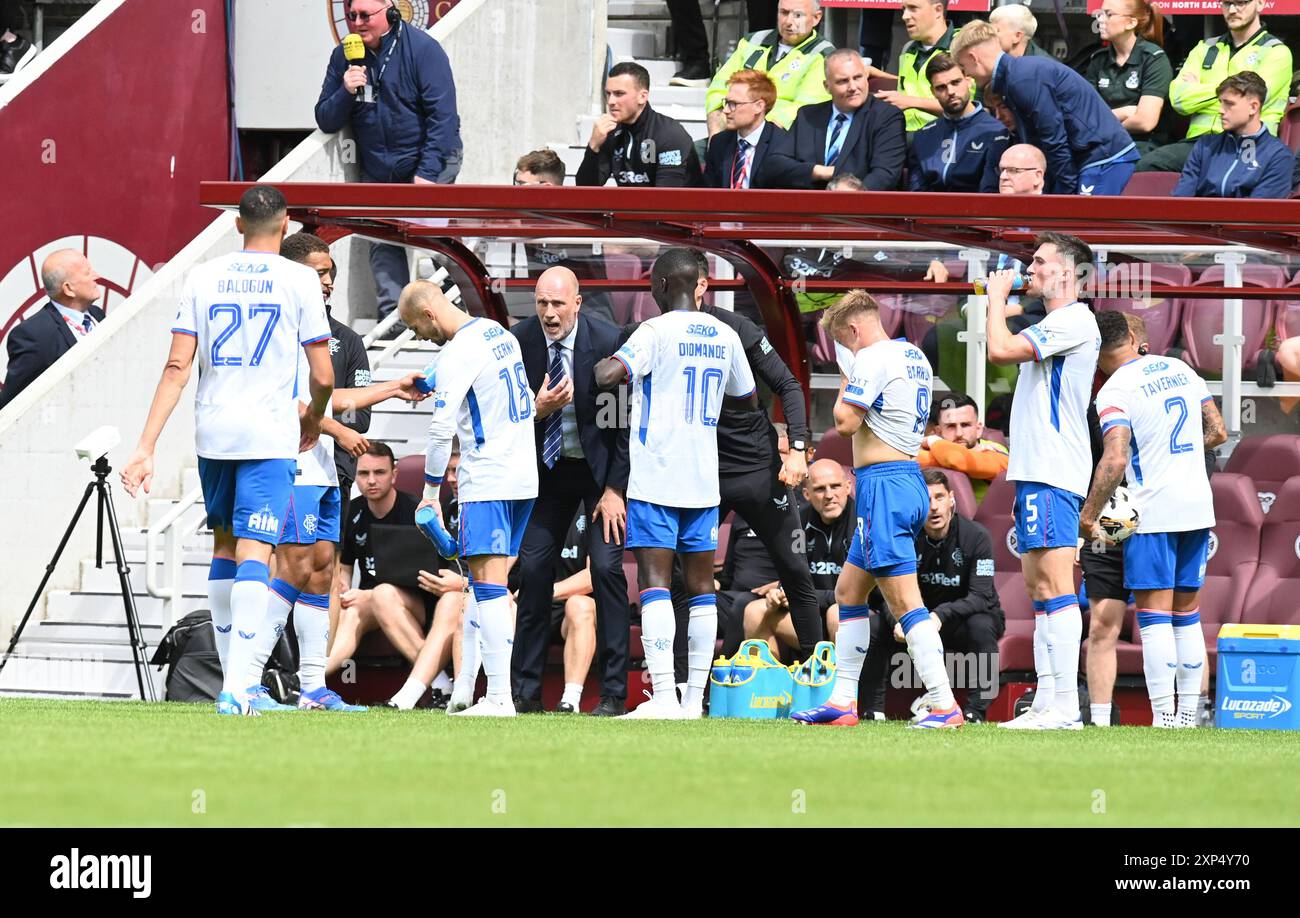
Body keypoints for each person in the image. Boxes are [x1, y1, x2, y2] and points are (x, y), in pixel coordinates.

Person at [121, 185, 335, 716]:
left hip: (214, 435)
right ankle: (237, 687)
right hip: (268, 436)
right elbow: (323, 373)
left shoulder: (203, 275)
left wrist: (145, 447)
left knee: (223, 547)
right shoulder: (300, 279)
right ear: (284, 228)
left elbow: (177, 367)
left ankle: (233, 682)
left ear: (237, 225)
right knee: (256, 553)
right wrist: (313, 415)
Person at [260, 235, 429, 712]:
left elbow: (338, 401)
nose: (328, 281)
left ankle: (313, 686)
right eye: (319, 273)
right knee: (287, 567)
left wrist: (392, 387)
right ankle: (247, 680)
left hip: (327, 470)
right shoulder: (276, 328)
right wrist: (330, 427)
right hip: (285, 465)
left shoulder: (337, 338)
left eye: (331, 272)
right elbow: (288, 402)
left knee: (320, 575)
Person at [593, 248, 757, 719]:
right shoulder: (725, 334)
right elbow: (746, 398)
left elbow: (608, 376)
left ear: (662, 285)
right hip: (703, 477)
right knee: (703, 585)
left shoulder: (654, 330)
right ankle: (691, 702)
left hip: (657, 477)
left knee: (655, 582)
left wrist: (609, 365)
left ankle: (663, 696)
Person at [789, 290, 962, 729]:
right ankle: (844, 701)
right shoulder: (912, 354)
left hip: (884, 486)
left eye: (844, 345)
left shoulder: (871, 358)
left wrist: (846, 381)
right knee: (849, 592)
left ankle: (944, 704)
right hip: (902, 479)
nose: (846, 354)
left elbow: (845, 422)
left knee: (906, 602)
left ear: (854, 330)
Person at [1081, 310, 1228, 727]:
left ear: (1098, 350)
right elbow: (1218, 432)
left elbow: (1115, 457)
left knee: (1154, 618)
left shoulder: (1114, 391)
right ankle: (1189, 716)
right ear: (1132, 336)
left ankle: (1164, 717)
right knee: (1188, 615)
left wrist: (1089, 517)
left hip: (1153, 510)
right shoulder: (1180, 368)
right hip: (1198, 505)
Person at [400, 280, 539, 717]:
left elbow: (442, 430)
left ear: (429, 315)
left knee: (491, 586)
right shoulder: (497, 332)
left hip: (489, 478)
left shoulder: (461, 349)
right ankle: (466, 689)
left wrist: (429, 494)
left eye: (416, 328)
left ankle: (499, 697)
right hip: (523, 476)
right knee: (483, 586)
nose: (419, 337)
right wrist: (429, 380)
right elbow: (452, 365)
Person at [984, 232, 1100, 731]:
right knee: (1038, 588)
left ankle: (1065, 707)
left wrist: (995, 300)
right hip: (1035, 470)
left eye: (1040, 261)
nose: (1029, 268)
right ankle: (1046, 701)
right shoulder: (1055, 321)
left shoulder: (1075, 319)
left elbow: (999, 351)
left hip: (1055, 469)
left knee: (1056, 585)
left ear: (1069, 273)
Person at [510, 266, 632, 718]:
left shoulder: (607, 341)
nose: (548, 312)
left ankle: (615, 694)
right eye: (542, 302)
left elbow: (621, 422)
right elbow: (506, 419)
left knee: (606, 569)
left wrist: (616, 489)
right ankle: (524, 693)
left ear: (577, 303)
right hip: (547, 470)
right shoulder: (519, 342)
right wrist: (538, 410)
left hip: (600, 474)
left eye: (558, 303)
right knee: (535, 571)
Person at [314, 0, 463, 323]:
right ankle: (394, 320)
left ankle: (456, 302)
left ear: (391, 13)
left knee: (437, 239)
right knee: (382, 239)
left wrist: (427, 173)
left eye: (365, 15)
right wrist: (345, 89)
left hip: (431, 160)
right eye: (352, 16)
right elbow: (325, 118)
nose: (357, 23)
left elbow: (444, 118)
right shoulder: (344, 57)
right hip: (379, 168)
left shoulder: (423, 50)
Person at [952, 20, 1139, 195]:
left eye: (963, 66)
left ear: (973, 58)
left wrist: (1066, 193)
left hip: (1104, 157)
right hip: (1090, 156)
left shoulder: (1021, 78)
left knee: (1081, 224)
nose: (966, 75)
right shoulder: (1016, 75)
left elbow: (1053, 136)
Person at [1137, 0, 1292, 174]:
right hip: (1199, 143)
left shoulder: (1276, 52)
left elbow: (1250, 100)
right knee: (1146, 166)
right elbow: (1178, 99)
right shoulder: (1205, 48)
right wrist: (1235, 89)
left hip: (1249, 145)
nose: (1232, 9)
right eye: (1227, 3)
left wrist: (1198, 89)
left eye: (1240, 3)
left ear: (1261, 4)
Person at [901, 469, 1003, 722]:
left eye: (939, 497)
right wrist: (900, 618)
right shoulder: (906, 539)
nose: (934, 507)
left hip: (964, 618)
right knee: (878, 624)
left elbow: (981, 596)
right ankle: (873, 710)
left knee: (981, 625)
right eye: (926, 500)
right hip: (922, 620)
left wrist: (940, 614)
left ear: (952, 499)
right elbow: (884, 590)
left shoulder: (977, 536)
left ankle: (975, 711)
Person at [380, 445, 468, 710]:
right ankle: (441, 686)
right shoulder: (449, 510)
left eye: (458, 471)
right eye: (448, 471)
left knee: (453, 601)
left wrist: (462, 584)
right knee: (383, 593)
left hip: (498, 601)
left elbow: (505, 577)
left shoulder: (498, 510)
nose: (451, 479)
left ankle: (414, 695)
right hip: (441, 597)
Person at [746, 459, 853, 658]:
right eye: (820, 489)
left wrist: (807, 596)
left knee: (836, 614)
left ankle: (838, 687)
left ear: (848, 487)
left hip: (852, 612)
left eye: (835, 486)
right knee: (755, 611)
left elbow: (865, 594)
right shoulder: (796, 522)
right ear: (807, 494)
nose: (829, 495)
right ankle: (770, 687)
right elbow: (791, 571)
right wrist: (779, 592)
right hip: (810, 611)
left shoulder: (862, 521)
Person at [765, 48, 907, 190]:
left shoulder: (887, 116)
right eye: (843, 81)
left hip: (860, 207)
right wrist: (820, 172)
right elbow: (775, 165)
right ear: (827, 87)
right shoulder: (808, 116)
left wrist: (849, 197)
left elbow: (885, 174)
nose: (853, 87)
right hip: (809, 205)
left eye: (858, 77)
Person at [509, 509, 598, 713]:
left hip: (570, 609)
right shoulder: (529, 508)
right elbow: (505, 563)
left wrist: (545, 591)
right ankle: (506, 694)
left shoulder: (588, 509)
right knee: (506, 604)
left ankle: (570, 700)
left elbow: (591, 577)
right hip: (531, 605)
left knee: (579, 605)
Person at [704, 0, 835, 134]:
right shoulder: (752, 41)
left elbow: (806, 110)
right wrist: (715, 137)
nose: (788, 21)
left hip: (781, 141)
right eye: (784, 13)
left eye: (798, 15)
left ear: (816, 18)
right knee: (689, 148)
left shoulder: (823, 55)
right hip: (730, 131)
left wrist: (755, 137)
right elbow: (718, 89)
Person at [0, 250, 105, 410]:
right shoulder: (35, 334)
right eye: (87, 273)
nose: (97, 276)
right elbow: (12, 404)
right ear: (68, 288)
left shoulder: (97, 315)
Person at [576, 62, 702, 188]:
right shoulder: (610, 132)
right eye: (608, 94)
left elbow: (666, 199)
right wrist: (593, 146)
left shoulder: (669, 134)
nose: (611, 101)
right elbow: (585, 190)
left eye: (619, 94)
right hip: (631, 206)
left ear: (642, 97)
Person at [1173, 71, 1295, 199]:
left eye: (1229, 104)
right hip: (1198, 218)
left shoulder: (1278, 156)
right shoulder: (1205, 146)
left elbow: (1258, 213)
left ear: (1253, 107)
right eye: (1221, 102)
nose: (1220, 110)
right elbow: (1180, 202)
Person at [907, 52, 1009, 193]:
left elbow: (990, 191)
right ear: (932, 92)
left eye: (955, 82)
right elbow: (915, 192)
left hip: (975, 210)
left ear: (968, 81)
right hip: (930, 212)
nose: (950, 92)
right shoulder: (923, 135)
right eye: (941, 87)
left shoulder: (996, 132)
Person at [1084, 0, 1172, 156]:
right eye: (1100, 13)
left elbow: (1145, 122)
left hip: (1143, 146)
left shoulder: (1154, 59)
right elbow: (1086, 116)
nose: (1100, 20)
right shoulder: (1098, 60)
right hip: (1102, 144)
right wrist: (1125, 112)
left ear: (1131, 23)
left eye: (1109, 14)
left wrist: (1102, 124)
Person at [874, 0, 965, 134]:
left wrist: (911, 102)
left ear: (938, 10)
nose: (905, 16)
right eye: (904, 9)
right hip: (905, 137)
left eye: (913, 8)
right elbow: (904, 96)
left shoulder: (962, 45)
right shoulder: (908, 49)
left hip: (947, 136)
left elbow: (969, 106)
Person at [703, 70, 799, 189]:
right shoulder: (719, 142)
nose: (726, 110)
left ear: (759, 106)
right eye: (726, 103)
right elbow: (709, 191)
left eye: (734, 104)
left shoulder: (783, 145)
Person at [916, 393, 1010, 488]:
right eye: (951, 426)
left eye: (965, 425)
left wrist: (932, 440)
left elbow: (955, 459)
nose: (959, 433)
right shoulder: (936, 448)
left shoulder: (996, 451)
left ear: (978, 429)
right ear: (938, 432)